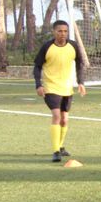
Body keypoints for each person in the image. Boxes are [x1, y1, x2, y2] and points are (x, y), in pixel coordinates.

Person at [34, 20, 87, 163]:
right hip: (51, 87)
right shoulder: (47, 47)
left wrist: (81, 82)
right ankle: (56, 151)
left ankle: (61, 146)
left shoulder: (73, 46)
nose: (62, 34)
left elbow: (80, 64)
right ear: (54, 32)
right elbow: (37, 66)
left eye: (65, 31)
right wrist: (38, 85)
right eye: (59, 31)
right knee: (56, 116)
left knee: (65, 119)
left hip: (67, 87)